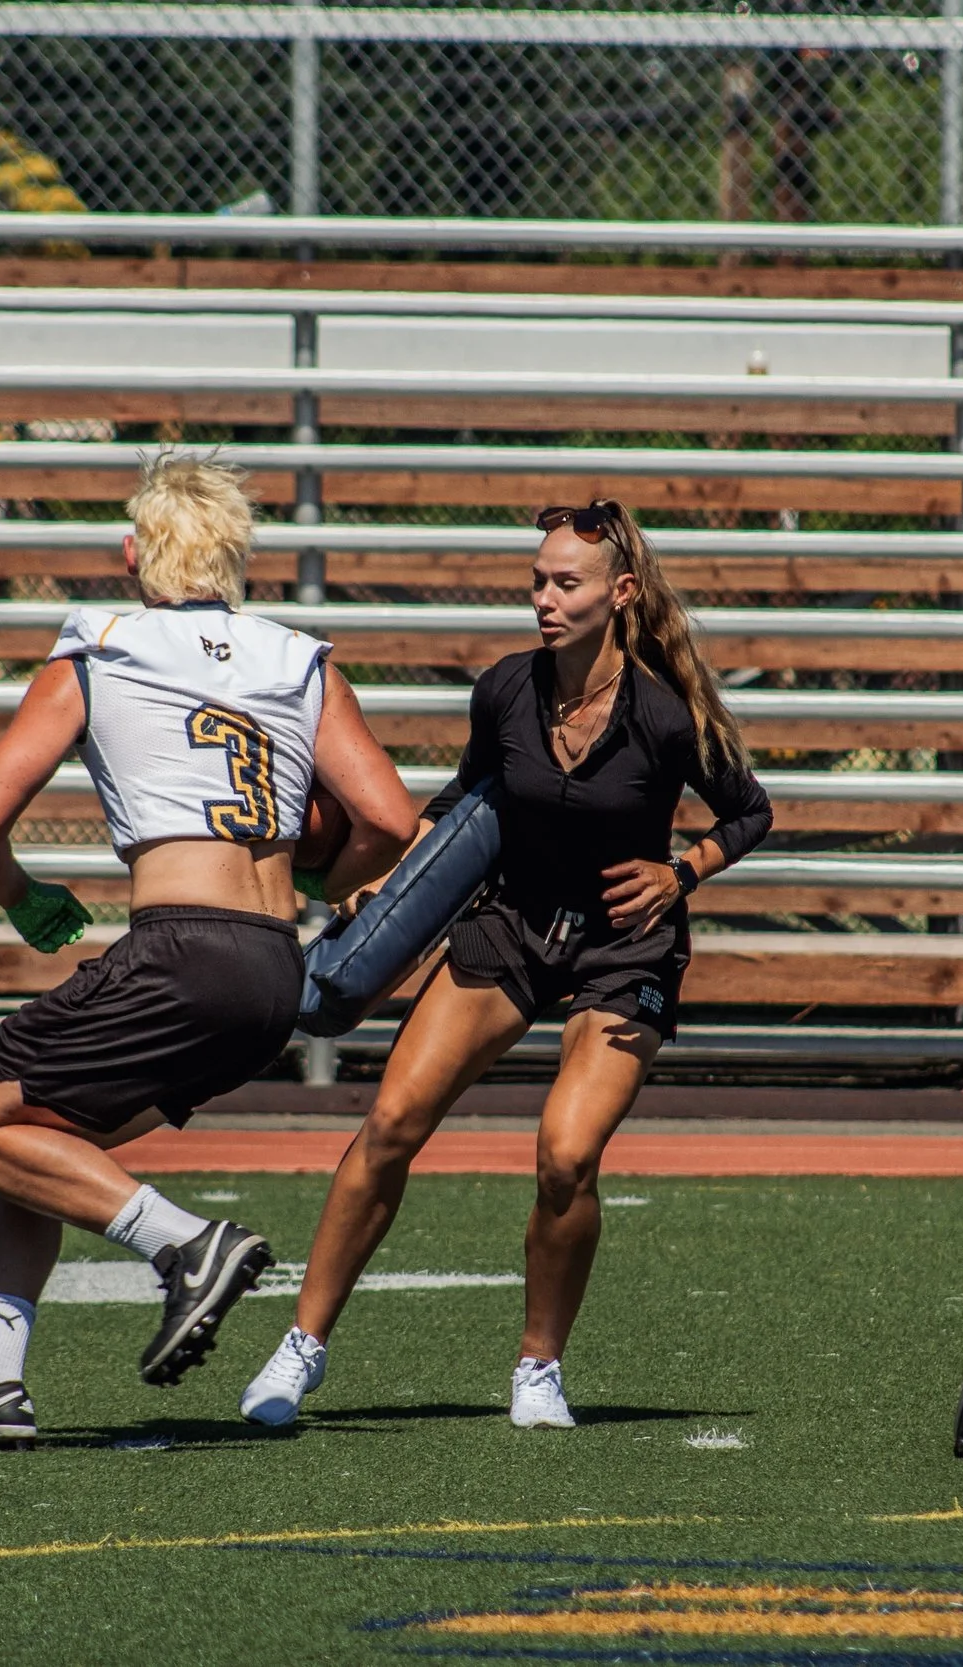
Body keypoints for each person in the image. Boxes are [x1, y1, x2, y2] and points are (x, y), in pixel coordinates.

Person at [0, 455, 417, 1450]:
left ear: (132, 551)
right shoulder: (300, 659)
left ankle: (186, 1246)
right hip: (271, 970)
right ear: (238, 556)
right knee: (35, 1137)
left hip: (179, 952)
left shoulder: (101, 646)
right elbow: (387, 818)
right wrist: (320, 881)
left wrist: (23, 897)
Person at [240, 499, 771, 1431]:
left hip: (624, 946)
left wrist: (680, 872)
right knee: (392, 1120)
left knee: (567, 1154)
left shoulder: (664, 710)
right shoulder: (504, 689)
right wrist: (387, 888)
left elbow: (750, 812)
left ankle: (539, 1366)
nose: (544, 599)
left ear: (621, 592)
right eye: (537, 581)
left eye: (566, 583)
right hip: (512, 927)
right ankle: (302, 1346)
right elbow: (462, 803)